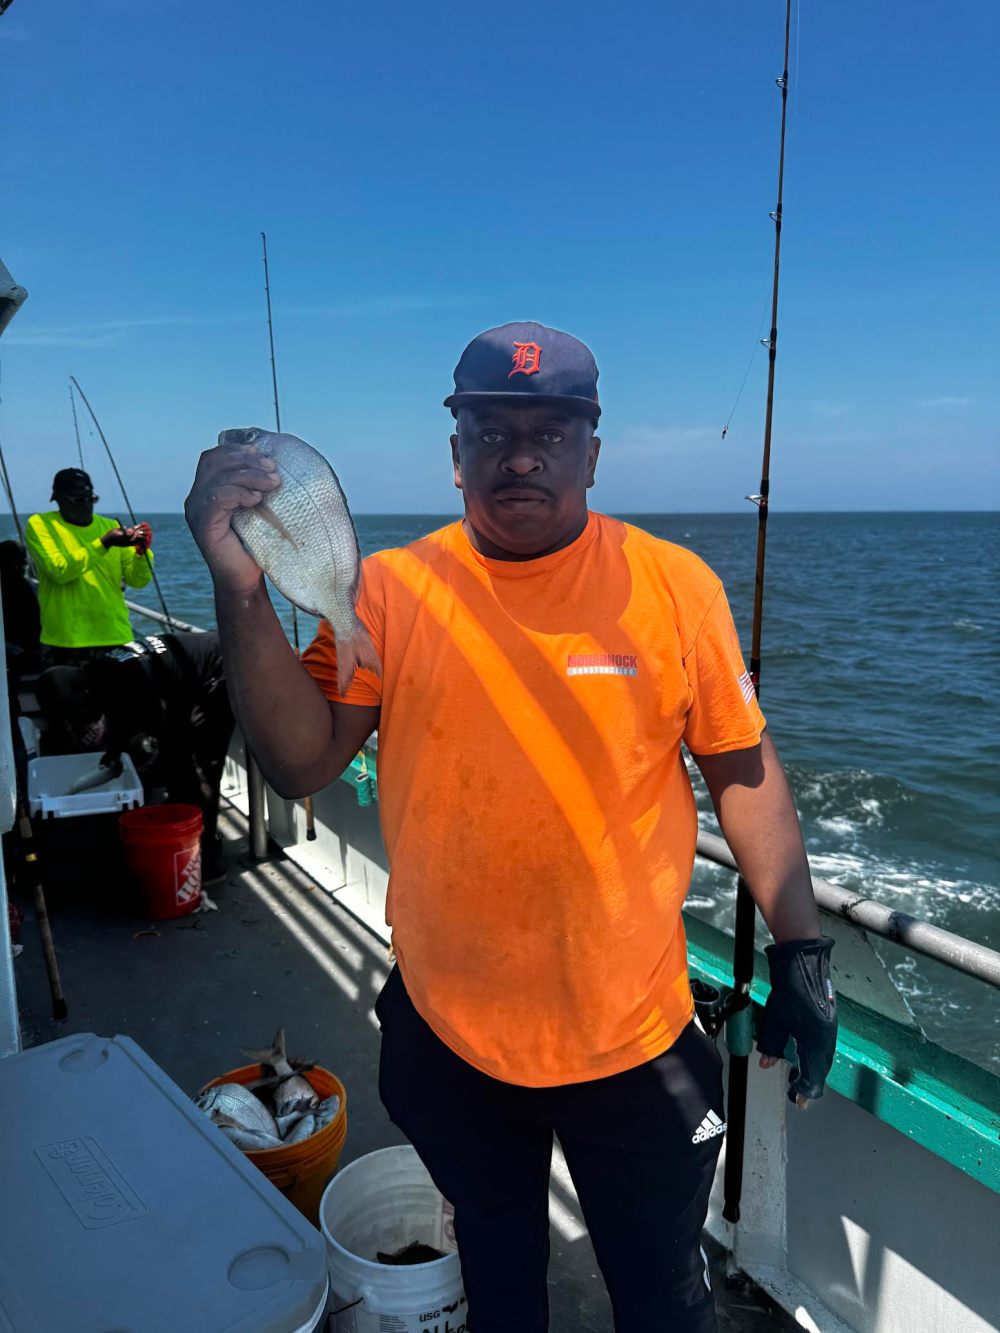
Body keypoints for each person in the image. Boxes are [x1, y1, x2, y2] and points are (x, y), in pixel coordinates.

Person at [185, 321, 837, 1332]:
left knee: (664, 1298)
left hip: (636, 1045)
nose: (521, 456)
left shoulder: (676, 587)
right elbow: (300, 760)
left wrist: (800, 948)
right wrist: (240, 588)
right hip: (450, 1037)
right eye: (491, 432)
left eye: (551, 431)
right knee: (495, 1279)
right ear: (456, 454)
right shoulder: (387, 591)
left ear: (592, 452)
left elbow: (741, 773)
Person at [34, 632, 233, 884]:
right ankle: (179, 812)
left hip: (222, 669)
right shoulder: (100, 671)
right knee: (177, 758)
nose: (77, 722)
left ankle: (209, 857)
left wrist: (129, 751)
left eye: (73, 713)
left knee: (200, 766)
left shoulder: (125, 682)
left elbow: (161, 727)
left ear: (82, 693)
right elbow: (122, 712)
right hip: (185, 676)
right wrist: (115, 750)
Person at [25, 467, 155, 666]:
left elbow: (138, 581)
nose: (86, 504)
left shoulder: (110, 527)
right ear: (58, 499)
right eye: (78, 499)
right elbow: (59, 571)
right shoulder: (41, 524)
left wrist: (142, 552)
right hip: (65, 641)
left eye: (90, 498)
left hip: (115, 636)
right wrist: (104, 543)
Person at [0, 539, 42, 678]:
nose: (23, 565)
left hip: (35, 655)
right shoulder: (31, 588)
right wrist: (20, 653)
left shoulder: (33, 587)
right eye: (16, 563)